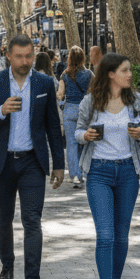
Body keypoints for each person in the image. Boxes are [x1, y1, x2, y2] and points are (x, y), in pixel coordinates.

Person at [0, 34, 66, 279]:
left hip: (32, 162)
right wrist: (0, 110)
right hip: (2, 162)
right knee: (3, 219)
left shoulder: (45, 83)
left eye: (29, 56)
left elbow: (52, 126)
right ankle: (7, 266)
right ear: (9, 56)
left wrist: (58, 164)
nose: (24, 61)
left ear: (34, 55)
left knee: (32, 220)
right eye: (19, 57)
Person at [75, 53, 140, 279]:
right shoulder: (91, 101)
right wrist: (85, 135)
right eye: (125, 70)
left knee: (121, 235)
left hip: (128, 171)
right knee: (105, 235)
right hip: (99, 172)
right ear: (110, 74)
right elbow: (77, 131)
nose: (130, 74)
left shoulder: (135, 100)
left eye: (129, 70)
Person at [57, 46, 93, 189]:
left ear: (70, 59)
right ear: (83, 58)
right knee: (83, 141)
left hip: (70, 110)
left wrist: (62, 102)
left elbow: (60, 94)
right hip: (84, 110)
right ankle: (83, 172)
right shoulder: (89, 74)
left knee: (71, 143)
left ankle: (75, 175)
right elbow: (94, 92)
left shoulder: (65, 75)